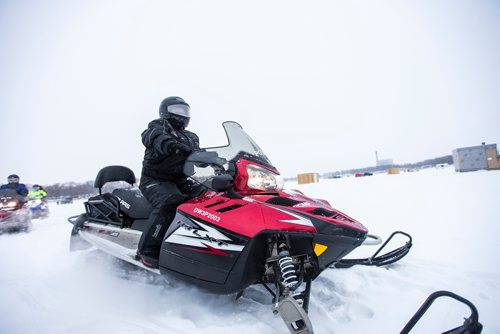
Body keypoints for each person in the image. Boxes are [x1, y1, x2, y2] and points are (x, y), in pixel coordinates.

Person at [137, 96, 202, 268]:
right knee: (171, 202)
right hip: (154, 179)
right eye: (177, 110)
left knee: (210, 198)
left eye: (185, 111)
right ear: (165, 111)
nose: (182, 115)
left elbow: (197, 155)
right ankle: (147, 250)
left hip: (180, 180)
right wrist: (171, 145)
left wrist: (214, 160)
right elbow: (153, 138)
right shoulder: (157, 127)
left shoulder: (191, 137)